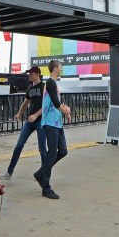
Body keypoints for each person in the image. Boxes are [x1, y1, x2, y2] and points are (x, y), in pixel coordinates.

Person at [34, 60, 71, 199]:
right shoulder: (49, 82)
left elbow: (57, 101)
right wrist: (65, 111)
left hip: (57, 123)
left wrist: (66, 108)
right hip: (50, 123)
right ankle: (46, 187)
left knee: (63, 151)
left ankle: (40, 173)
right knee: (52, 153)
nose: (61, 69)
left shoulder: (54, 84)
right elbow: (55, 103)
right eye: (60, 67)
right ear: (55, 68)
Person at [2, 66, 47, 180]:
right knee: (19, 145)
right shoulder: (30, 88)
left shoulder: (44, 87)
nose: (29, 76)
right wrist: (19, 113)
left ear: (37, 74)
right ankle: (9, 172)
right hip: (30, 121)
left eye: (30, 74)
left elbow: (47, 105)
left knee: (42, 148)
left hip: (41, 120)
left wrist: (36, 115)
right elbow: (26, 102)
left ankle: (44, 173)